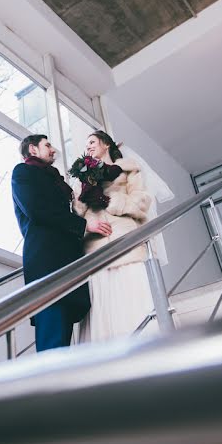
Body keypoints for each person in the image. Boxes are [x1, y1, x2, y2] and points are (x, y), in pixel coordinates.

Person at [11, 134, 112, 351]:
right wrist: (83, 225)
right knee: (52, 339)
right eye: (47, 145)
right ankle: (50, 385)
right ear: (33, 149)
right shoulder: (23, 172)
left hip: (67, 262)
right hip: (47, 264)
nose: (53, 149)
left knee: (63, 343)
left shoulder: (53, 178)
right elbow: (38, 210)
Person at [72, 130, 156, 342]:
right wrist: (85, 193)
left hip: (125, 242)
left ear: (106, 144)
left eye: (92, 141)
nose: (88, 146)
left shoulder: (129, 169)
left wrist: (112, 201)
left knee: (132, 297)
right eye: (87, 144)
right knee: (104, 302)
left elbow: (142, 201)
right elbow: (77, 212)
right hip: (96, 248)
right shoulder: (83, 176)